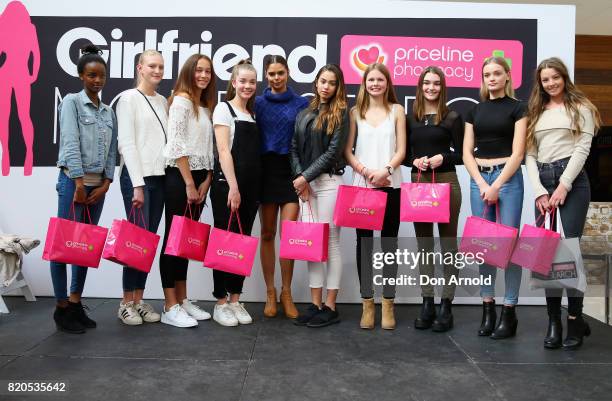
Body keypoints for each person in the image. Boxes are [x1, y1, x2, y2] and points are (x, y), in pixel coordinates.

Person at [526, 57, 601, 349]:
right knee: (547, 254)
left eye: (555, 77)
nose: (551, 83)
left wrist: (563, 186)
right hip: (543, 182)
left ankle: (574, 321)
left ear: (564, 78)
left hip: (572, 181)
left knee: (568, 252)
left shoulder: (580, 108)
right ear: (540, 83)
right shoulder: (535, 112)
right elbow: (529, 156)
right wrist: (539, 192)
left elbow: (583, 148)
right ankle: (553, 322)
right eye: (546, 79)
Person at [51, 44, 117, 334]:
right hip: (72, 183)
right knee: (63, 246)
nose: (97, 80)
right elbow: (70, 143)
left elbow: (112, 151)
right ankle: (61, 307)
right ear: (81, 76)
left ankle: (76, 302)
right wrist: (78, 182)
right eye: (91, 75)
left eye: (101, 76)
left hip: (96, 188)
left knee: (84, 247)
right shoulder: (72, 103)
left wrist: (106, 183)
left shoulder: (107, 111)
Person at [463, 56, 527, 339]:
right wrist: (480, 182)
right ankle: (488, 306)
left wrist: (497, 184)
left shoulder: (518, 108)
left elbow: (519, 153)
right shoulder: (473, 111)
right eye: (487, 74)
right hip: (480, 179)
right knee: (484, 245)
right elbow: (467, 152)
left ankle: (509, 310)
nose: (491, 78)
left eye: (497, 73)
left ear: (507, 76)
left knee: (509, 245)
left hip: (508, 179)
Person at [344, 63, 405, 330]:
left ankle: (388, 303)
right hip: (363, 186)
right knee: (365, 246)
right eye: (371, 80)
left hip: (392, 185)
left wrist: (386, 170)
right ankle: (368, 303)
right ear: (364, 83)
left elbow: (402, 149)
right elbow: (348, 151)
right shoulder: (356, 112)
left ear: (387, 83)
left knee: (389, 246)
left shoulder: (397, 111)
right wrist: (366, 171)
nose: (376, 84)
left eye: (380, 79)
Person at [290, 64, 349, 328]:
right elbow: (293, 147)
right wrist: (301, 179)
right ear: (316, 83)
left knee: (331, 242)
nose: (326, 86)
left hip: (329, 184)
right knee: (312, 245)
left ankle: (331, 305)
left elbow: (333, 153)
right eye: (322, 81)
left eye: (332, 83)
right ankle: (314, 304)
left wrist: (305, 178)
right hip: (306, 186)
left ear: (338, 87)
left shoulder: (342, 113)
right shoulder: (304, 112)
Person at [159, 54, 215, 328]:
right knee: (173, 240)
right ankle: (170, 305)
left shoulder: (203, 105)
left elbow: (206, 149)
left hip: (199, 179)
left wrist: (206, 180)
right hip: (180, 178)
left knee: (184, 242)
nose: (203, 75)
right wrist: (190, 184)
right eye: (199, 71)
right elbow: (177, 145)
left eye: (208, 71)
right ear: (189, 72)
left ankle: (182, 300)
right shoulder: (180, 101)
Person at [406, 66, 464, 332]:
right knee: (425, 245)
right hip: (419, 183)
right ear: (420, 86)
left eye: (436, 83)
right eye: (427, 83)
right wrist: (413, 160)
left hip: (446, 182)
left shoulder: (452, 117)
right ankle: (427, 300)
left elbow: (464, 154)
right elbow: (405, 154)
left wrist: (444, 157)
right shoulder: (411, 118)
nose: (431, 87)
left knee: (449, 246)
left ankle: (446, 304)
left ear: (442, 87)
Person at [116, 50, 167, 326]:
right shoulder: (128, 99)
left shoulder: (163, 101)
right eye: (152, 66)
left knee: (146, 244)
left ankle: (139, 299)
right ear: (140, 68)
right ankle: (125, 303)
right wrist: (137, 184)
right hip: (138, 180)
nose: (157, 70)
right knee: (134, 243)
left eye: (160, 66)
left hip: (159, 179)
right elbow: (127, 143)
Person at [255, 55, 309, 319]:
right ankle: (269, 292)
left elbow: (305, 141)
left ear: (288, 73)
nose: (276, 78)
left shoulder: (302, 104)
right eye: (271, 73)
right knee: (267, 233)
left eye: (280, 73)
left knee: (288, 236)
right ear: (266, 75)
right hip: (265, 173)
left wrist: (305, 176)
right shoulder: (257, 103)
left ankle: (286, 292)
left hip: (290, 173)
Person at [210, 60, 261, 327]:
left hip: (251, 189)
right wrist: (233, 187)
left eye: (252, 82)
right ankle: (220, 302)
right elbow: (223, 150)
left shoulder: (252, 114)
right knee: (224, 242)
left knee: (242, 244)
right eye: (243, 81)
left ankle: (235, 299)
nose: (247, 86)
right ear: (233, 82)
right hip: (227, 187)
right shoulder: (223, 109)